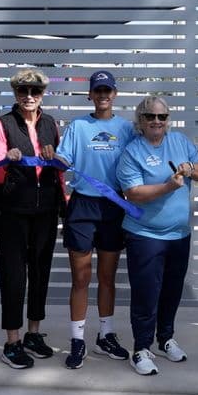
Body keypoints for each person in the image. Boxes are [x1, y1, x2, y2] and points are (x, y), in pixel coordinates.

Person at [116, 96, 198, 376]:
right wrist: (168, 186)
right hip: (145, 235)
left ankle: (165, 338)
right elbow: (133, 193)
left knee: (171, 291)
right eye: (151, 117)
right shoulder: (132, 151)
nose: (157, 122)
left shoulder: (179, 141)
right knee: (146, 294)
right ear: (140, 121)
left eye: (162, 117)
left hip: (179, 234)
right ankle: (141, 348)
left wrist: (191, 169)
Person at [55, 70, 135, 369]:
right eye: (98, 90)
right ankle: (77, 340)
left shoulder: (126, 128)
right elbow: (64, 159)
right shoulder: (78, 126)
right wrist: (53, 157)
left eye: (108, 90)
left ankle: (105, 335)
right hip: (83, 207)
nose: (103, 95)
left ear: (115, 94)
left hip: (113, 206)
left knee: (107, 277)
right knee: (80, 278)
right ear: (90, 94)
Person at [0, 68, 63, 369]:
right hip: (13, 212)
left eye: (35, 91)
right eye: (23, 91)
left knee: (41, 272)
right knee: (14, 276)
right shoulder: (3, 124)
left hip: (45, 210)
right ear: (15, 94)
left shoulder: (50, 124)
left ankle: (33, 333)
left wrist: (55, 158)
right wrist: (8, 160)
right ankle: (12, 340)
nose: (29, 97)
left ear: (43, 94)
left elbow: (61, 168)